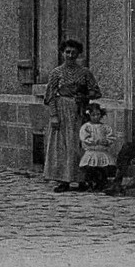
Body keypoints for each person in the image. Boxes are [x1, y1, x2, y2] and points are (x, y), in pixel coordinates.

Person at [43, 39, 101, 191]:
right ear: (62, 53)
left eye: (73, 52)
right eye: (67, 52)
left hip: (79, 113)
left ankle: (80, 180)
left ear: (78, 54)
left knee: (78, 146)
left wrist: (85, 96)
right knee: (62, 147)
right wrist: (54, 116)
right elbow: (50, 96)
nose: (70, 55)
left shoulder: (85, 72)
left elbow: (96, 91)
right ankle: (63, 181)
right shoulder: (56, 73)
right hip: (62, 113)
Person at [77, 102, 116, 190]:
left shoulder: (105, 127)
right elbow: (84, 138)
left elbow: (111, 137)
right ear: (89, 115)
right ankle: (90, 183)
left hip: (102, 151)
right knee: (91, 169)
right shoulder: (86, 127)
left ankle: (101, 184)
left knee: (102, 169)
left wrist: (106, 141)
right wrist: (95, 141)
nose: (96, 117)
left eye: (98, 114)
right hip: (92, 152)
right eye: (93, 115)